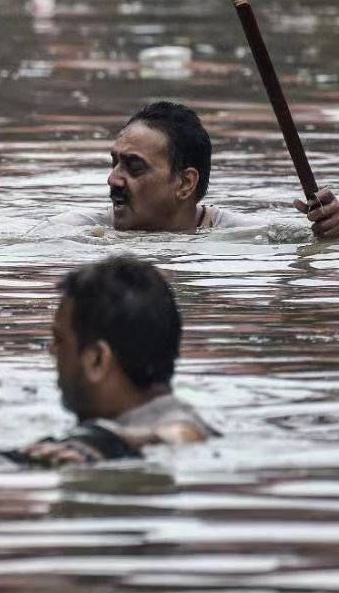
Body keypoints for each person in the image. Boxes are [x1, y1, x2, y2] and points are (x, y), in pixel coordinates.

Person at [22, 255, 218, 466]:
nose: (52, 351)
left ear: (97, 359)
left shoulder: (173, 422)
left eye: (59, 340)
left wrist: (105, 443)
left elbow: (182, 436)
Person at [52, 100, 339, 236]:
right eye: (115, 163)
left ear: (185, 183)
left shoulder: (246, 235)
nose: (113, 179)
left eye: (134, 166)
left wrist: (332, 231)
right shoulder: (79, 230)